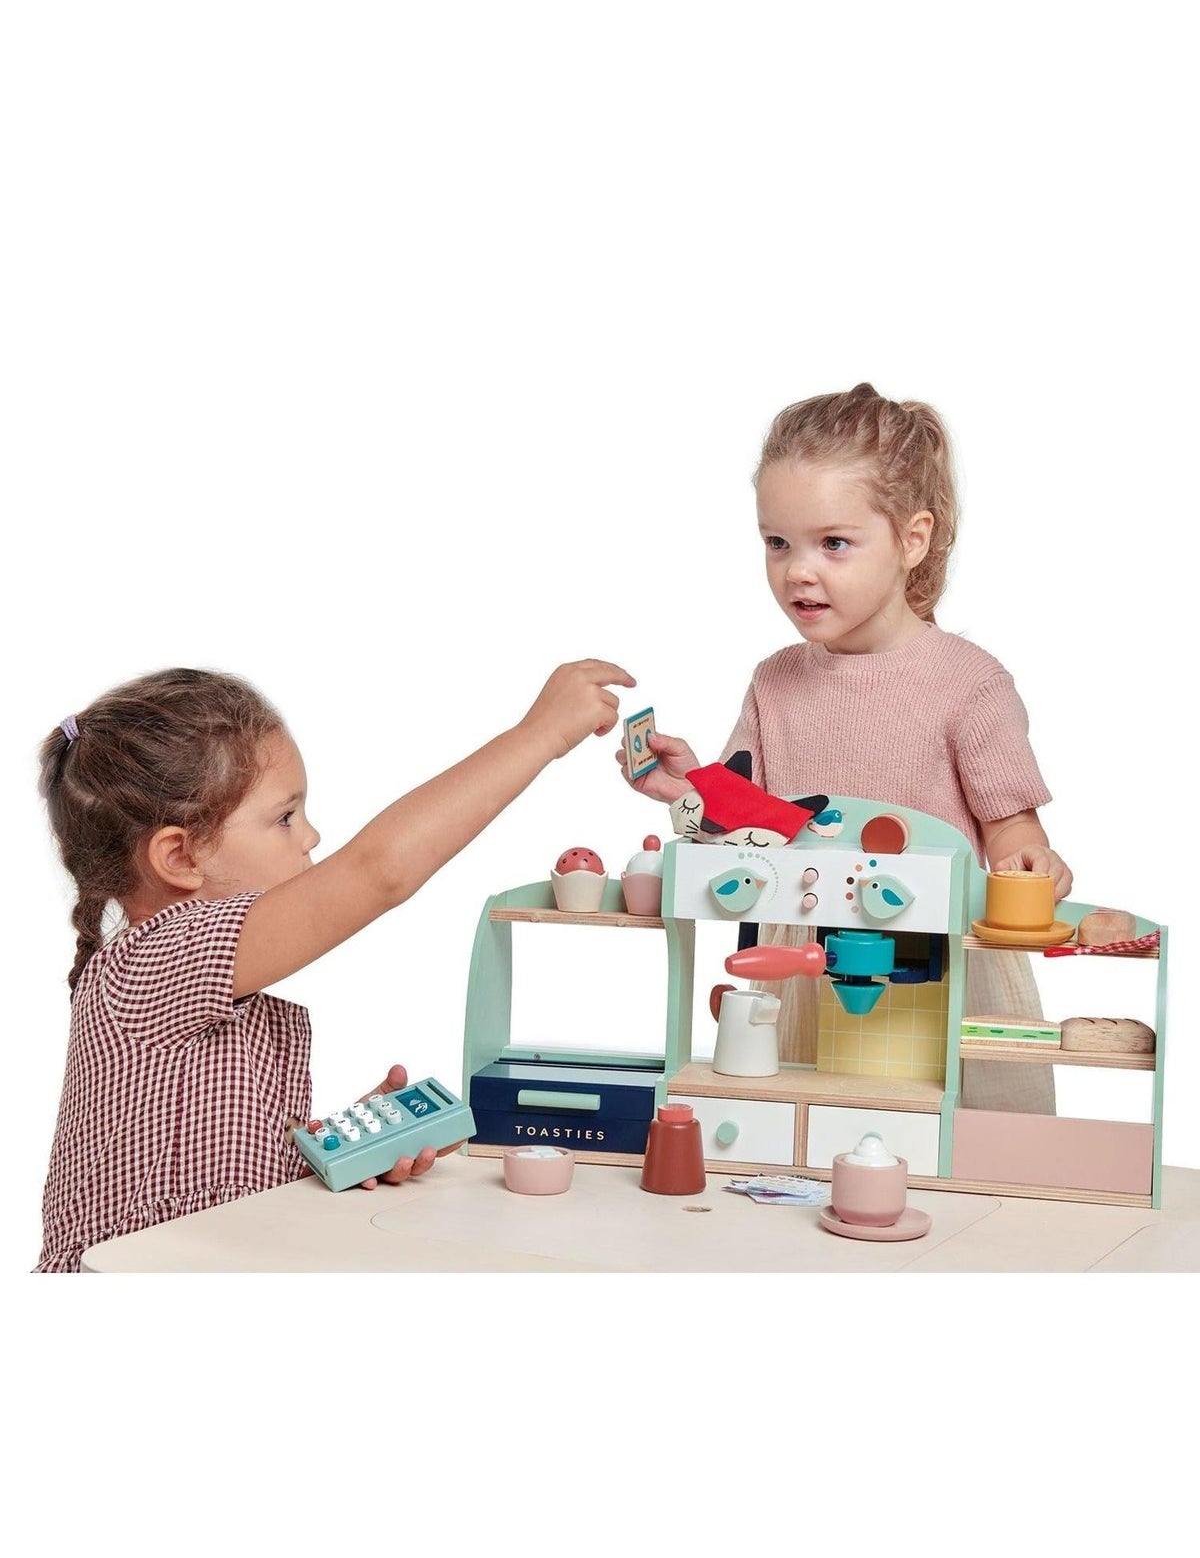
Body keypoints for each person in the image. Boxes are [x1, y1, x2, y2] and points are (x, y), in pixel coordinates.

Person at [36, 658, 634, 1271]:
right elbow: (378, 871)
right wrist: (539, 735)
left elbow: (202, 1174)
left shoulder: (206, 988)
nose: (312, 836)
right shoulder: (152, 962)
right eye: (285, 816)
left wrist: (327, 1148)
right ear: (181, 857)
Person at [620, 383, 1068, 1111]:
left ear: (912, 539)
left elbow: (1014, 835)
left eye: (833, 543)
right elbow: (753, 822)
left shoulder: (969, 683)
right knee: (803, 1144)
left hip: (940, 963)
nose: (799, 570)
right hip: (809, 968)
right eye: (778, 543)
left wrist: (1033, 864)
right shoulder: (774, 681)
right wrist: (688, 789)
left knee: (968, 1155)